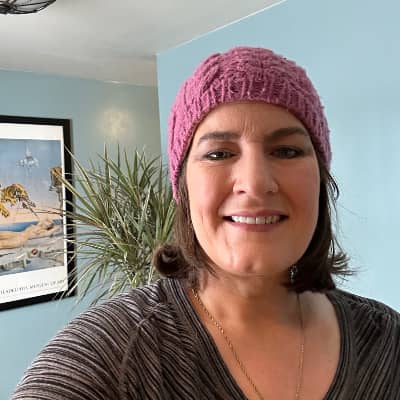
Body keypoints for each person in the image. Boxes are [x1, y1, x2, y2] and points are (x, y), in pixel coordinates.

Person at [12, 47, 399, 400]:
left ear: (321, 179)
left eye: (286, 150)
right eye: (218, 154)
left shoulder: (386, 342)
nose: (255, 183)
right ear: (183, 187)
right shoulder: (109, 355)